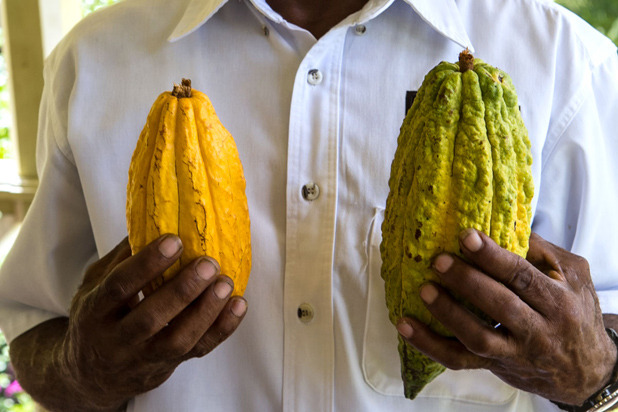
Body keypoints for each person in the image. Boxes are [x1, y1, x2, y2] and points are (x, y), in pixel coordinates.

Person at [0, 0, 617, 410]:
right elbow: (35, 327)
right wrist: (85, 371)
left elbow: (608, 336)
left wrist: (592, 371)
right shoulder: (95, 60)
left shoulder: (566, 63)